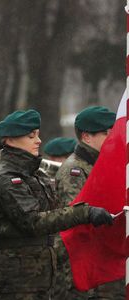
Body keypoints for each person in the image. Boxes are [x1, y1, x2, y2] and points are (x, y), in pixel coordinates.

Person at [0, 109, 113, 300]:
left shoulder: (35, 175)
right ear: (10, 141)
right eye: (31, 136)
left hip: (39, 277)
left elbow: (55, 211)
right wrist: (85, 212)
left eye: (37, 135)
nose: (38, 141)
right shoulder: (7, 178)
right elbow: (33, 221)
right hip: (14, 280)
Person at [55, 106, 124, 300]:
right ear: (87, 137)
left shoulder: (101, 164)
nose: (113, 138)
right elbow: (76, 214)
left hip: (98, 259)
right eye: (106, 133)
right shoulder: (74, 170)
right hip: (77, 263)